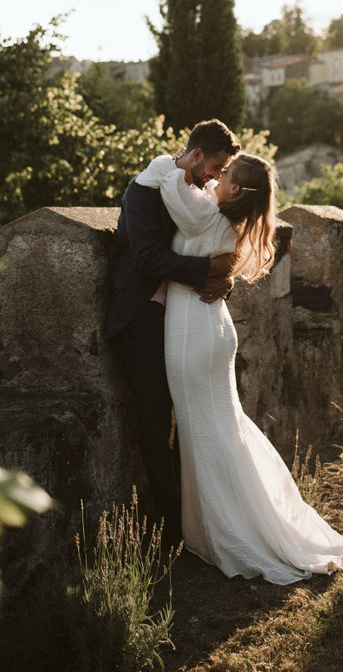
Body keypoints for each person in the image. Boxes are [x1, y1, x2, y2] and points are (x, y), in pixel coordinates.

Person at [136, 149, 343, 584]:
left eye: (223, 175)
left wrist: (174, 160)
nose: (215, 179)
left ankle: (225, 534)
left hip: (192, 336)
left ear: (236, 189)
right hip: (211, 330)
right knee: (223, 429)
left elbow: (167, 183)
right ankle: (238, 523)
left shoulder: (206, 217)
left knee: (202, 434)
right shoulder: (226, 220)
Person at [104, 119, 240, 545]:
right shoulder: (143, 191)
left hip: (183, 320)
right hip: (142, 319)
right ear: (196, 154)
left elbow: (208, 245)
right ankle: (171, 526)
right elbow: (147, 258)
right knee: (155, 421)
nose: (217, 177)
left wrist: (226, 277)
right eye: (216, 167)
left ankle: (202, 515)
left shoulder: (194, 197)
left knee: (195, 415)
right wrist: (209, 271)